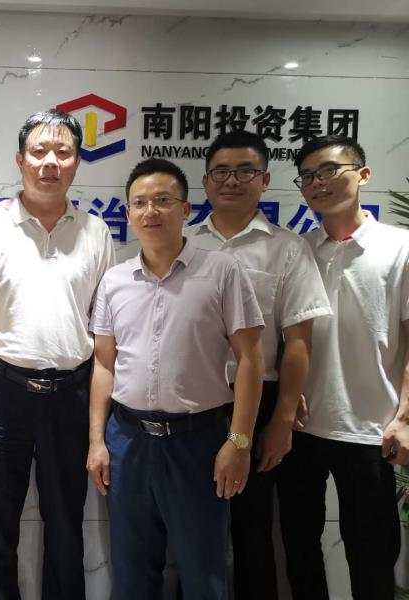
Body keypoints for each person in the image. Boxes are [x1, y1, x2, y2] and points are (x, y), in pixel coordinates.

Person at [0, 109, 115, 600]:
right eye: (39, 151)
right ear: (20, 160)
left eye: (63, 152)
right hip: (2, 393)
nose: (50, 162)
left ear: (77, 162)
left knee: (67, 522)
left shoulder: (96, 232)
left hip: (72, 394)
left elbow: (105, 326)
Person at [87, 158, 264, 600]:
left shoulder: (221, 270)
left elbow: (250, 360)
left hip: (197, 442)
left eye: (163, 200)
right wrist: (97, 442)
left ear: (186, 209)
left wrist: (239, 442)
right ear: (129, 213)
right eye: (139, 203)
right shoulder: (114, 281)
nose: (151, 211)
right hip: (128, 440)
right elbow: (104, 365)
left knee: (204, 573)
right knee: (132, 573)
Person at [186, 130, 331, 599]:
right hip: (192, 404)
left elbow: (298, 341)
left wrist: (283, 419)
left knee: (253, 527)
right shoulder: (184, 244)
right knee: (192, 527)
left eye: (245, 170)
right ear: (206, 182)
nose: (232, 180)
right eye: (221, 171)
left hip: (259, 402)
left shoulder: (287, 248)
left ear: (265, 180)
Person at [278, 135, 409, 600]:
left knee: (371, 557)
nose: (319, 182)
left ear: (363, 175)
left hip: (370, 428)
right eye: (308, 176)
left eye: (330, 170)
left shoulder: (399, 247)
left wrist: (405, 418)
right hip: (301, 428)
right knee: (299, 549)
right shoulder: (298, 250)